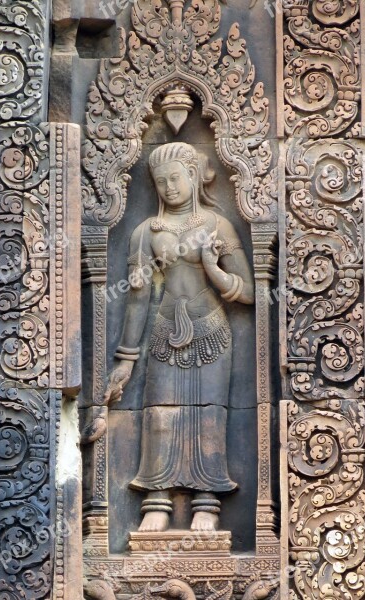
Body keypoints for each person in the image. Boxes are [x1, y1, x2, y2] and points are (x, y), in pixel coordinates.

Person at [104, 142, 254, 532]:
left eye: (176, 178)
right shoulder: (144, 233)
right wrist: (125, 358)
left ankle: (207, 499)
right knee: (159, 413)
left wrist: (212, 267)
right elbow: (137, 300)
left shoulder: (217, 225)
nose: (169, 187)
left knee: (210, 415)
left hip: (212, 328)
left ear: (192, 176)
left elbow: (251, 292)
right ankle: (157, 498)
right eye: (161, 181)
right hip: (165, 327)